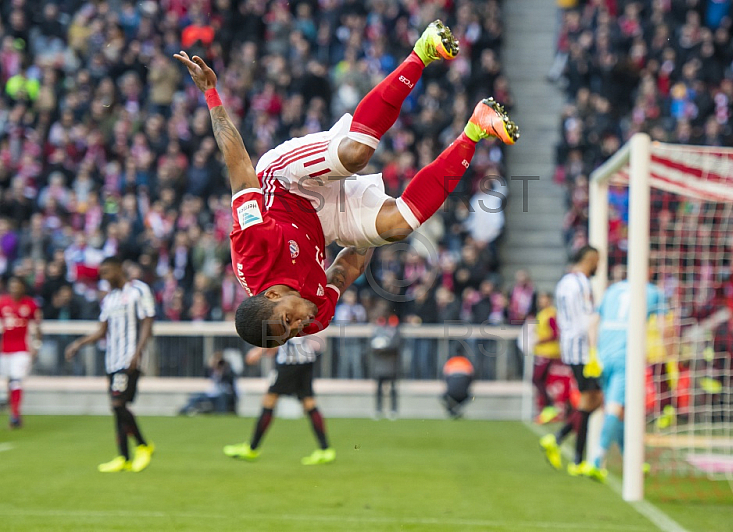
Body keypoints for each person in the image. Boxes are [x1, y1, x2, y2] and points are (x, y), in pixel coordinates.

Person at [172, 19, 519, 348]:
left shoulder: (252, 250)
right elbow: (343, 270)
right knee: (399, 225)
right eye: (290, 334)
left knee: (355, 153)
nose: (299, 326)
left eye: (288, 321)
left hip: (286, 183)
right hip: (321, 225)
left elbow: (240, 169)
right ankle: (477, 127)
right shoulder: (314, 318)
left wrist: (212, 95)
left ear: (272, 296)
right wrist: (370, 236)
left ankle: (424, 50)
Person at [65, 257, 156, 473]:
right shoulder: (109, 299)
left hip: (129, 358)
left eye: (107, 272)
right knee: (117, 408)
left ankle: (143, 446)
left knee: (118, 403)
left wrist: (138, 351)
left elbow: (148, 321)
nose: (104, 277)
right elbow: (101, 331)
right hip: (112, 360)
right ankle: (123, 457)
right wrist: (78, 344)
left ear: (118, 269)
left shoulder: (139, 290)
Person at [588, 277, 666, 481]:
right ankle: (597, 458)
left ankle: (632, 461)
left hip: (603, 353)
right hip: (627, 355)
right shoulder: (652, 291)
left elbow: (593, 323)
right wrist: (670, 350)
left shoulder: (612, 289)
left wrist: (593, 352)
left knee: (619, 409)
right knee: (615, 408)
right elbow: (663, 326)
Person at [540, 245, 601, 475]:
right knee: (591, 400)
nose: (598, 267)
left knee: (592, 399)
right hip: (583, 349)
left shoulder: (564, 282)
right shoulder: (583, 283)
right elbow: (588, 319)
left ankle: (564, 446)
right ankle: (573, 456)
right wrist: (595, 351)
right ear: (591, 259)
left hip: (569, 346)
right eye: (598, 261)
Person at [223, 336, 334, 464]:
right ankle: (326, 450)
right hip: (305, 358)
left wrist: (259, 351)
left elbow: (283, 331)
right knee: (309, 402)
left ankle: (252, 448)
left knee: (269, 400)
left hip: (290, 360)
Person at [0, 276, 42, 428]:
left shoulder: (30, 304)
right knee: (10, 381)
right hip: (4, 349)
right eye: (12, 285)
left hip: (22, 349)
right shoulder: (2, 302)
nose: (14, 288)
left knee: (17, 380)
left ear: (23, 287)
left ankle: (15, 415)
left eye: (17, 285)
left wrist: (36, 345)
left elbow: (37, 326)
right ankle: (14, 411)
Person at [531, 292, 563, 424]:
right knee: (540, 381)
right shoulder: (543, 314)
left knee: (537, 379)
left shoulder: (550, 314)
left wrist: (540, 340)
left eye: (543, 299)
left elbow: (555, 334)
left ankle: (549, 408)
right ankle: (546, 409)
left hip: (548, 352)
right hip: (542, 352)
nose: (541, 301)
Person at [178, 351, 238, 415]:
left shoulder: (228, 372)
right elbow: (206, 376)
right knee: (195, 396)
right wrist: (213, 366)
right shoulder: (211, 371)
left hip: (223, 394)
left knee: (222, 397)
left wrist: (223, 369)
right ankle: (184, 411)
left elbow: (230, 385)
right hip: (211, 394)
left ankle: (221, 413)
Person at [371, 307, 402, 419]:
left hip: (391, 363)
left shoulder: (395, 329)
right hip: (380, 363)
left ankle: (393, 409)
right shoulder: (377, 329)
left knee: (393, 388)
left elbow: (396, 344)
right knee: (379, 388)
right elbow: (371, 343)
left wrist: (385, 348)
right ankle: (378, 409)